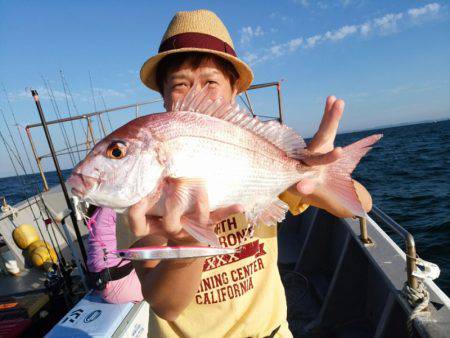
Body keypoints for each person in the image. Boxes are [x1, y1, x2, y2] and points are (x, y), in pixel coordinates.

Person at [126, 9, 372, 337]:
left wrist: (314, 179)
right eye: (180, 84)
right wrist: (187, 243)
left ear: (235, 90)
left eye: (210, 82)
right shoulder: (140, 187)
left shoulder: (258, 150)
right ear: (163, 96)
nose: (197, 93)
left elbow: (362, 205)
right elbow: (165, 305)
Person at [86, 205, 143, 304]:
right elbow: (142, 235)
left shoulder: (100, 210)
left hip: (104, 284)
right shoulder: (115, 207)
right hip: (119, 287)